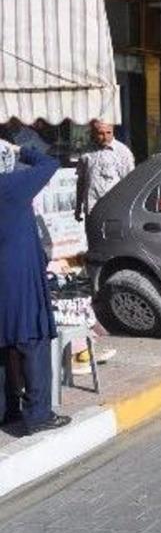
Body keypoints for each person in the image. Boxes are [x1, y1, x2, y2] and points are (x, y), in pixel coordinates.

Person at [0, 139, 72, 434]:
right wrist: (19, 150)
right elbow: (50, 163)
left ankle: (7, 410)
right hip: (19, 276)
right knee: (32, 340)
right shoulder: (12, 185)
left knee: (3, 344)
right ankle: (38, 413)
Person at [74, 119, 135, 223]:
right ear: (94, 133)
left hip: (113, 211)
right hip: (91, 210)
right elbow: (81, 182)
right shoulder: (86, 152)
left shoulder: (122, 152)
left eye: (108, 133)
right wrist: (78, 207)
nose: (105, 137)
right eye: (101, 133)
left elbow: (130, 184)